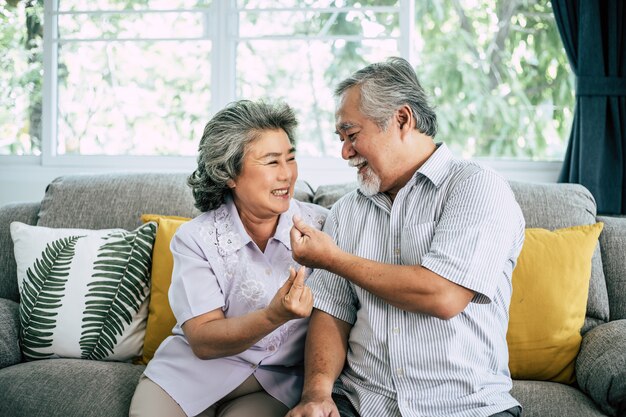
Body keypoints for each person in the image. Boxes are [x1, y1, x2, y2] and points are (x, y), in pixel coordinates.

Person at [287, 57, 526, 417]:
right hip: (362, 405)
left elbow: (443, 294)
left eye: (352, 135)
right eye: (341, 139)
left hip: (466, 409)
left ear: (402, 119)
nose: (345, 152)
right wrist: (317, 395)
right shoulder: (347, 212)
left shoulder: (477, 188)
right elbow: (332, 311)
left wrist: (333, 258)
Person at [129, 100, 328, 417]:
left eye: (290, 159)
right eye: (272, 162)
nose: (287, 174)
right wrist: (273, 315)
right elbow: (204, 340)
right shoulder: (195, 238)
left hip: (273, 382)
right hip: (191, 373)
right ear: (229, 173)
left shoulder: (323, 230)